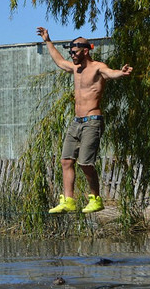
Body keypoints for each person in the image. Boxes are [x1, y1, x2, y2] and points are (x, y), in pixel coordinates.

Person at [36, 27, 133, 213]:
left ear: (85, 51)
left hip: (92, 121)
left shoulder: (98, 67)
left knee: (85, 163)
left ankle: (95, 199)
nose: (71, 55)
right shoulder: (75, 69)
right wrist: (48, 40)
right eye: (70, 52)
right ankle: (68, 201)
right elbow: (59, 61)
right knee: (66, 160)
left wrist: (121, 73)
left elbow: (111, 73)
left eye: (75, 52)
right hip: (76, 122)